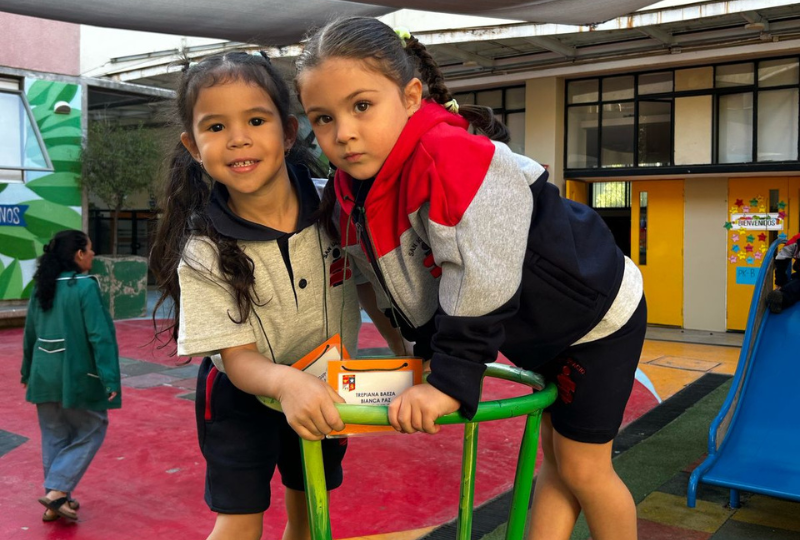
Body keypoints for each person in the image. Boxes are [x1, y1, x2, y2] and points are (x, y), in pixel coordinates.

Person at [295, 18, 646, 540]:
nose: (343, 132)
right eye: (323, 118)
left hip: (596, 317)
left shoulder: (451, 156)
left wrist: (449, 381)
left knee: (583, 468)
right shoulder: (354, 190)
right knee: (557, 461)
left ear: (411, 96)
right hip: (538, 326)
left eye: (361, 106)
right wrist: (417, 352)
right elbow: (390, 281)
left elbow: (483, 275)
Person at [149, 51, 394, 540]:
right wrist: (285, 384)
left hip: (327, 382)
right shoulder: (204, 248)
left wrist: (409, 352)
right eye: (215, 126)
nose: (238, 138)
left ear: (287, 132)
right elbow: (237, 358)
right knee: (241, 521)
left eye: (256, 120)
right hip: (241, 396)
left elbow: (368, 284)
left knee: (310, 510)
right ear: (192, 145)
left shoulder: (337, 204)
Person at [21, 229, 121, 523]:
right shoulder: (85, 286)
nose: (93, 254)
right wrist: (109, 377)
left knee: (54, 434)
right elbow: (99, 335)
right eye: (90, 249)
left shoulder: (42, 287)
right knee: (94, 426)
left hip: (42, 372)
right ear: (79, 254)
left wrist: (27, 371)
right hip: (75, 373)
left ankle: (55, 500)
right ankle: (57, 491)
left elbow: (30, 334)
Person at [767, 232, 800, 313]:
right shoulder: (795, 241)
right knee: (794, 284)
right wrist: (780, 281)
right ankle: (780, 297)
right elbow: (781, 259)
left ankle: (782, 299)